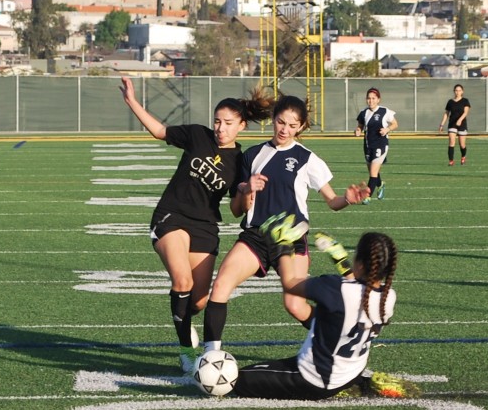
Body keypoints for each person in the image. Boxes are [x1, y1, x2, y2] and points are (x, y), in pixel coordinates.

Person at [202, 90, 371, 353]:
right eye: (281, 122)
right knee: (220, 286)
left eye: (293, 125)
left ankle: (340, 340)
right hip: (255, 235)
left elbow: (332, 202)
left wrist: (347, 198)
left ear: (301, 126)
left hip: (290, 238)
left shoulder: (307, 158)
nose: (285, 129)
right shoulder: (252, 155)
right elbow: (237, 209)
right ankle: (211, 356)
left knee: (295, 306)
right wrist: (247, 190)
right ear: (273, 119)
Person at [119, 75, 254, 372]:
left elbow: (235, 210)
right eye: (218, 121)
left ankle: (185, 321)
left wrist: (246, 193)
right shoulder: (197, 135)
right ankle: (185, 350)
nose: (221, 128)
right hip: (172, 216)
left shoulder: (241, 162)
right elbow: (159, 131)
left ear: (241, 125)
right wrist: (132, 101)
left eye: (228, 123)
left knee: (199, 301)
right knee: (182, 282)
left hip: (205, 226)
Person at [231, 229, 417, 400]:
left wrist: (283, 247)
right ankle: (360, 383)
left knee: (233, 380)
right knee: (325, 319)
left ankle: (351, 386)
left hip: (314, 380)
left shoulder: (336, 288)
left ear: (359, 262)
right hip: (350, 373)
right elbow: (357, 293)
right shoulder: (389, 296)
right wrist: (341, 262)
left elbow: (290, 283)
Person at [355, 88, 398, 200]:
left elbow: (395, 124)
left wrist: (387, 129)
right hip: (368, 145)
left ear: (378, 99)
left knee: (373, 172)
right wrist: (358, 130)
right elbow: (360, 125)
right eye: (369, 98)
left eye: (373, 98)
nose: (371, 101)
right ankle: (380, 184)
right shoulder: (364, 113)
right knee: (372, 171)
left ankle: (367, 196)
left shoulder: (384, 111)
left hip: (381, 144)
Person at [439, 84, 471, 166]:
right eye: (456, 90)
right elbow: (446, 113)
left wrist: (460, 120)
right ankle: (451, 161)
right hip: (452, 124)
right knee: (451, 143)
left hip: (462, 124)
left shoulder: (465, 101)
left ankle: (463, 156)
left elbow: (466, 112)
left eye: (459, 90)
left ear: (462, 91)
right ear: (454, 91)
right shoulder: (450, 102)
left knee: (462, 144)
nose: (458, 92)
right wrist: (442, 124)